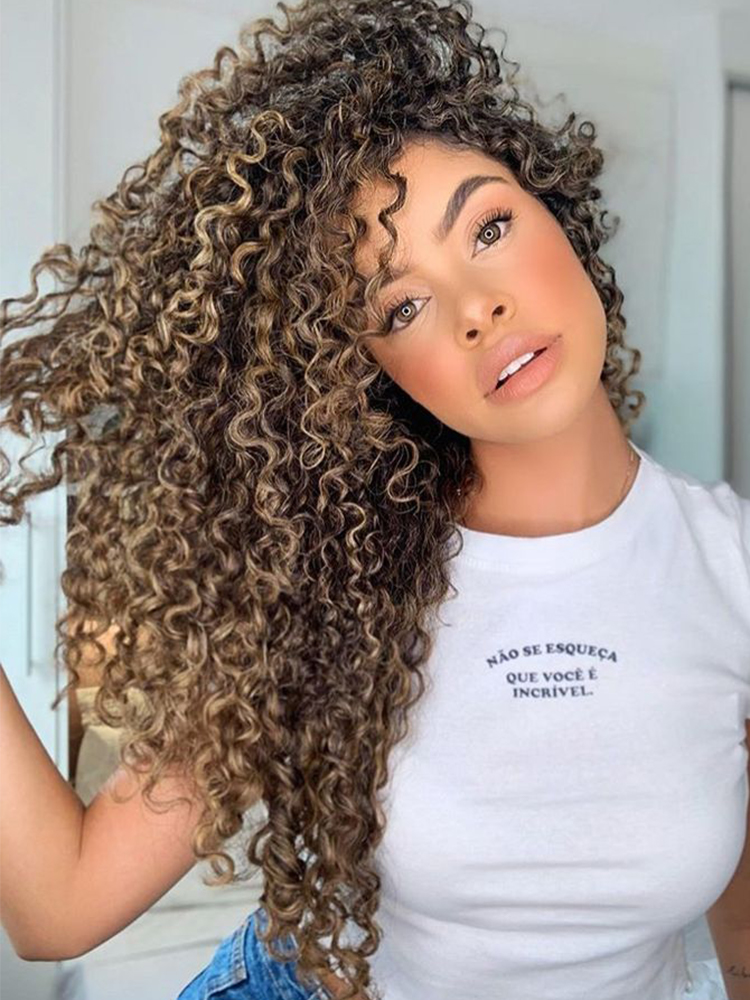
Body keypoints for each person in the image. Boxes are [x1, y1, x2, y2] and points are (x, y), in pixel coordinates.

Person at [0, 1, 748, 998]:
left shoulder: (731, 565)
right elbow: (58, 908)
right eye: (402, 304)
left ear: (557, 213)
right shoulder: (334, 586)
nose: (478, 308)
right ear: (371, 371)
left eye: (488, 226)